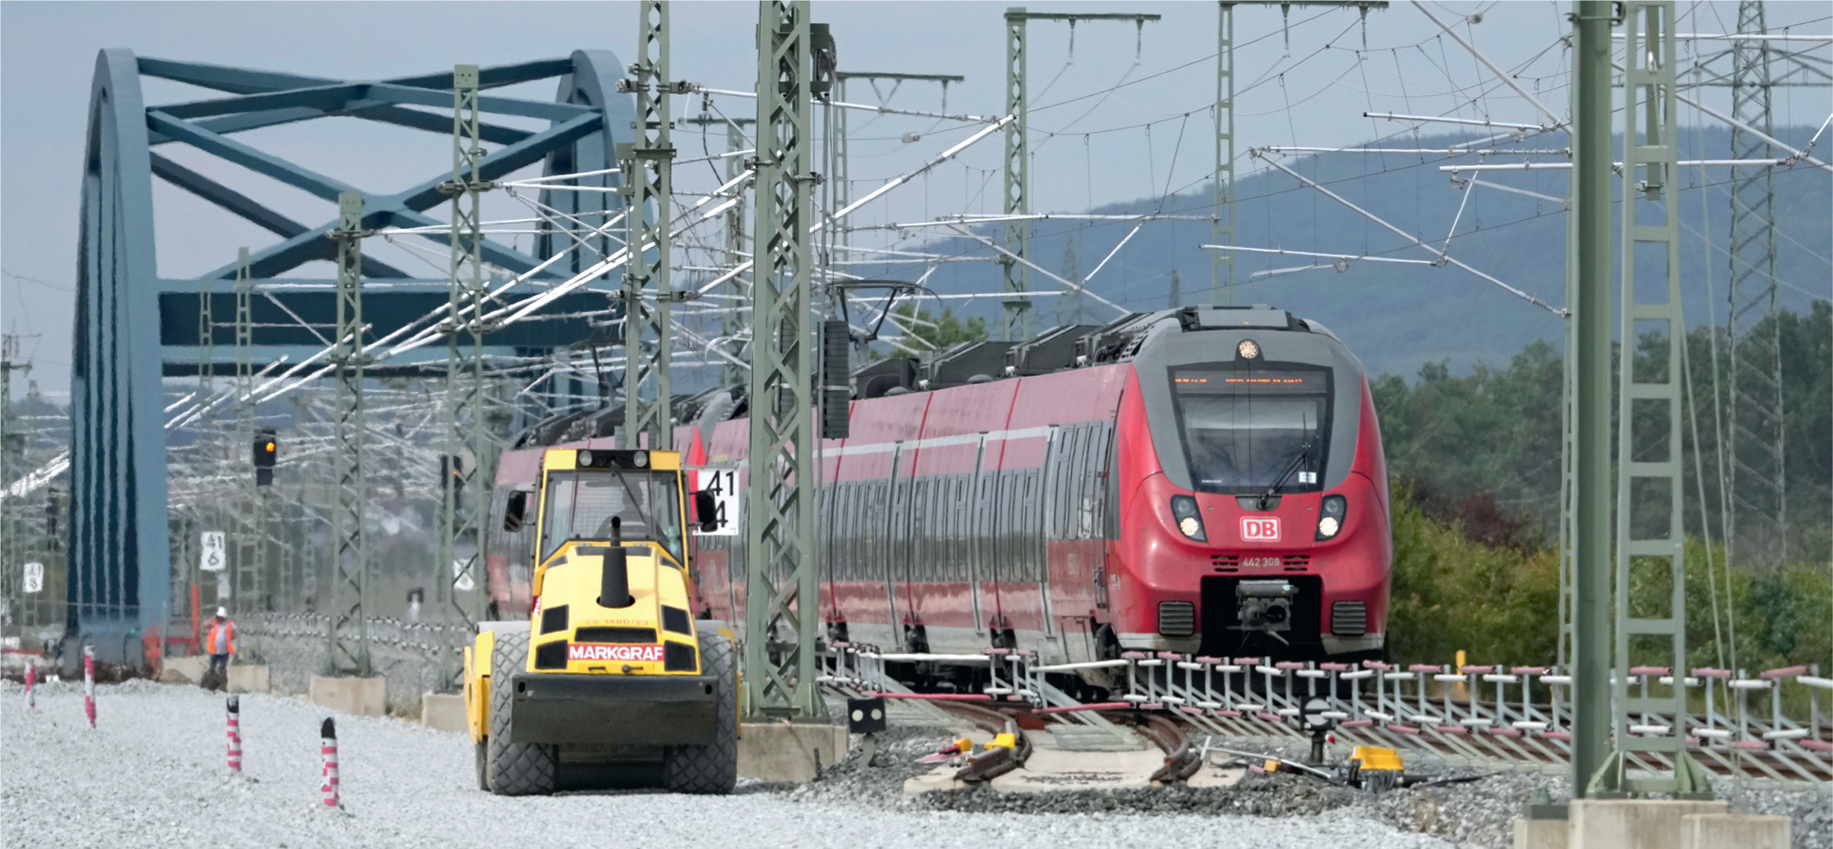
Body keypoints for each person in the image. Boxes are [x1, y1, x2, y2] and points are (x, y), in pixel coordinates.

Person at [204, 607, 236, 679]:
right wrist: (213, 618)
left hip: (225, 651)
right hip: (214, 651)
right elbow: (205, 624)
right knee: (212, 667)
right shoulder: (213, 623)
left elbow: (234, 634)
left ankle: (221, 683)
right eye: (218, 617)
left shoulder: (229, 624)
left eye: (221, 617)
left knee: (222, 668)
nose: (219, 619)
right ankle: (211, 682)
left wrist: (230, 636)